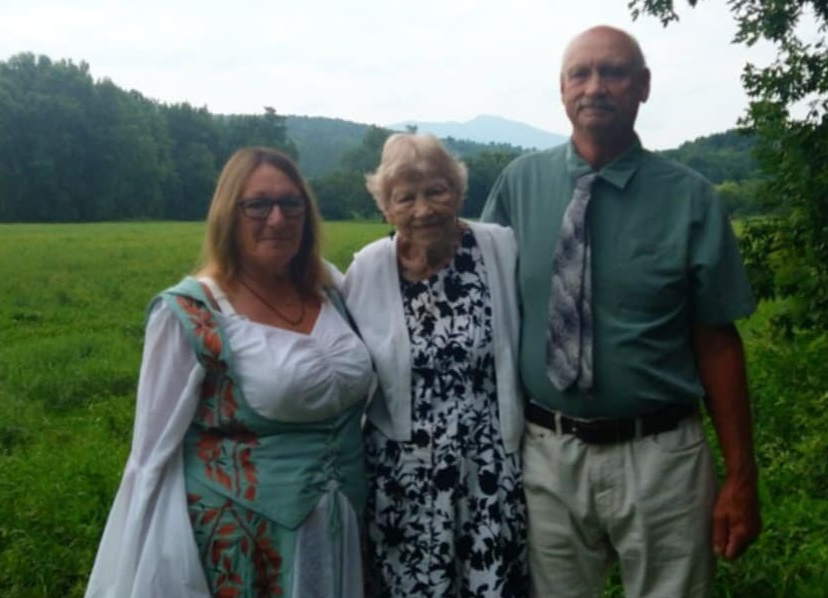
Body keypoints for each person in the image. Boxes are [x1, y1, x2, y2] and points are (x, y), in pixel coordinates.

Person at [481, 25, 761, 598]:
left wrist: (741, 475)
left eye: (612, 72)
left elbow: (717, 341)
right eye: (579, 74)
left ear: (643, 87)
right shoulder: (519, 184)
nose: (595, 87)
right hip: (547, 455)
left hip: (661, 459)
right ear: (561, 91)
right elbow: (481, 302)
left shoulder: (690, 199)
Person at [86, 147, 373, 598]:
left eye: (290, 203)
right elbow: (151, 456)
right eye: (257, 204)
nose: (277, 218)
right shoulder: (191, 312)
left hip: (345, 528)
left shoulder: (331, 290)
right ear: (228, 213)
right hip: (248, 546)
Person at [342, 133, 529, 598]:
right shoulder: (367, 269)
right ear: (385, 207)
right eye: (406, 197)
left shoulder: (500, 249)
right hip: (403, 482)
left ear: (459, 193)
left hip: (490, 472)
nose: (423, 209)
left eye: (436, 191)